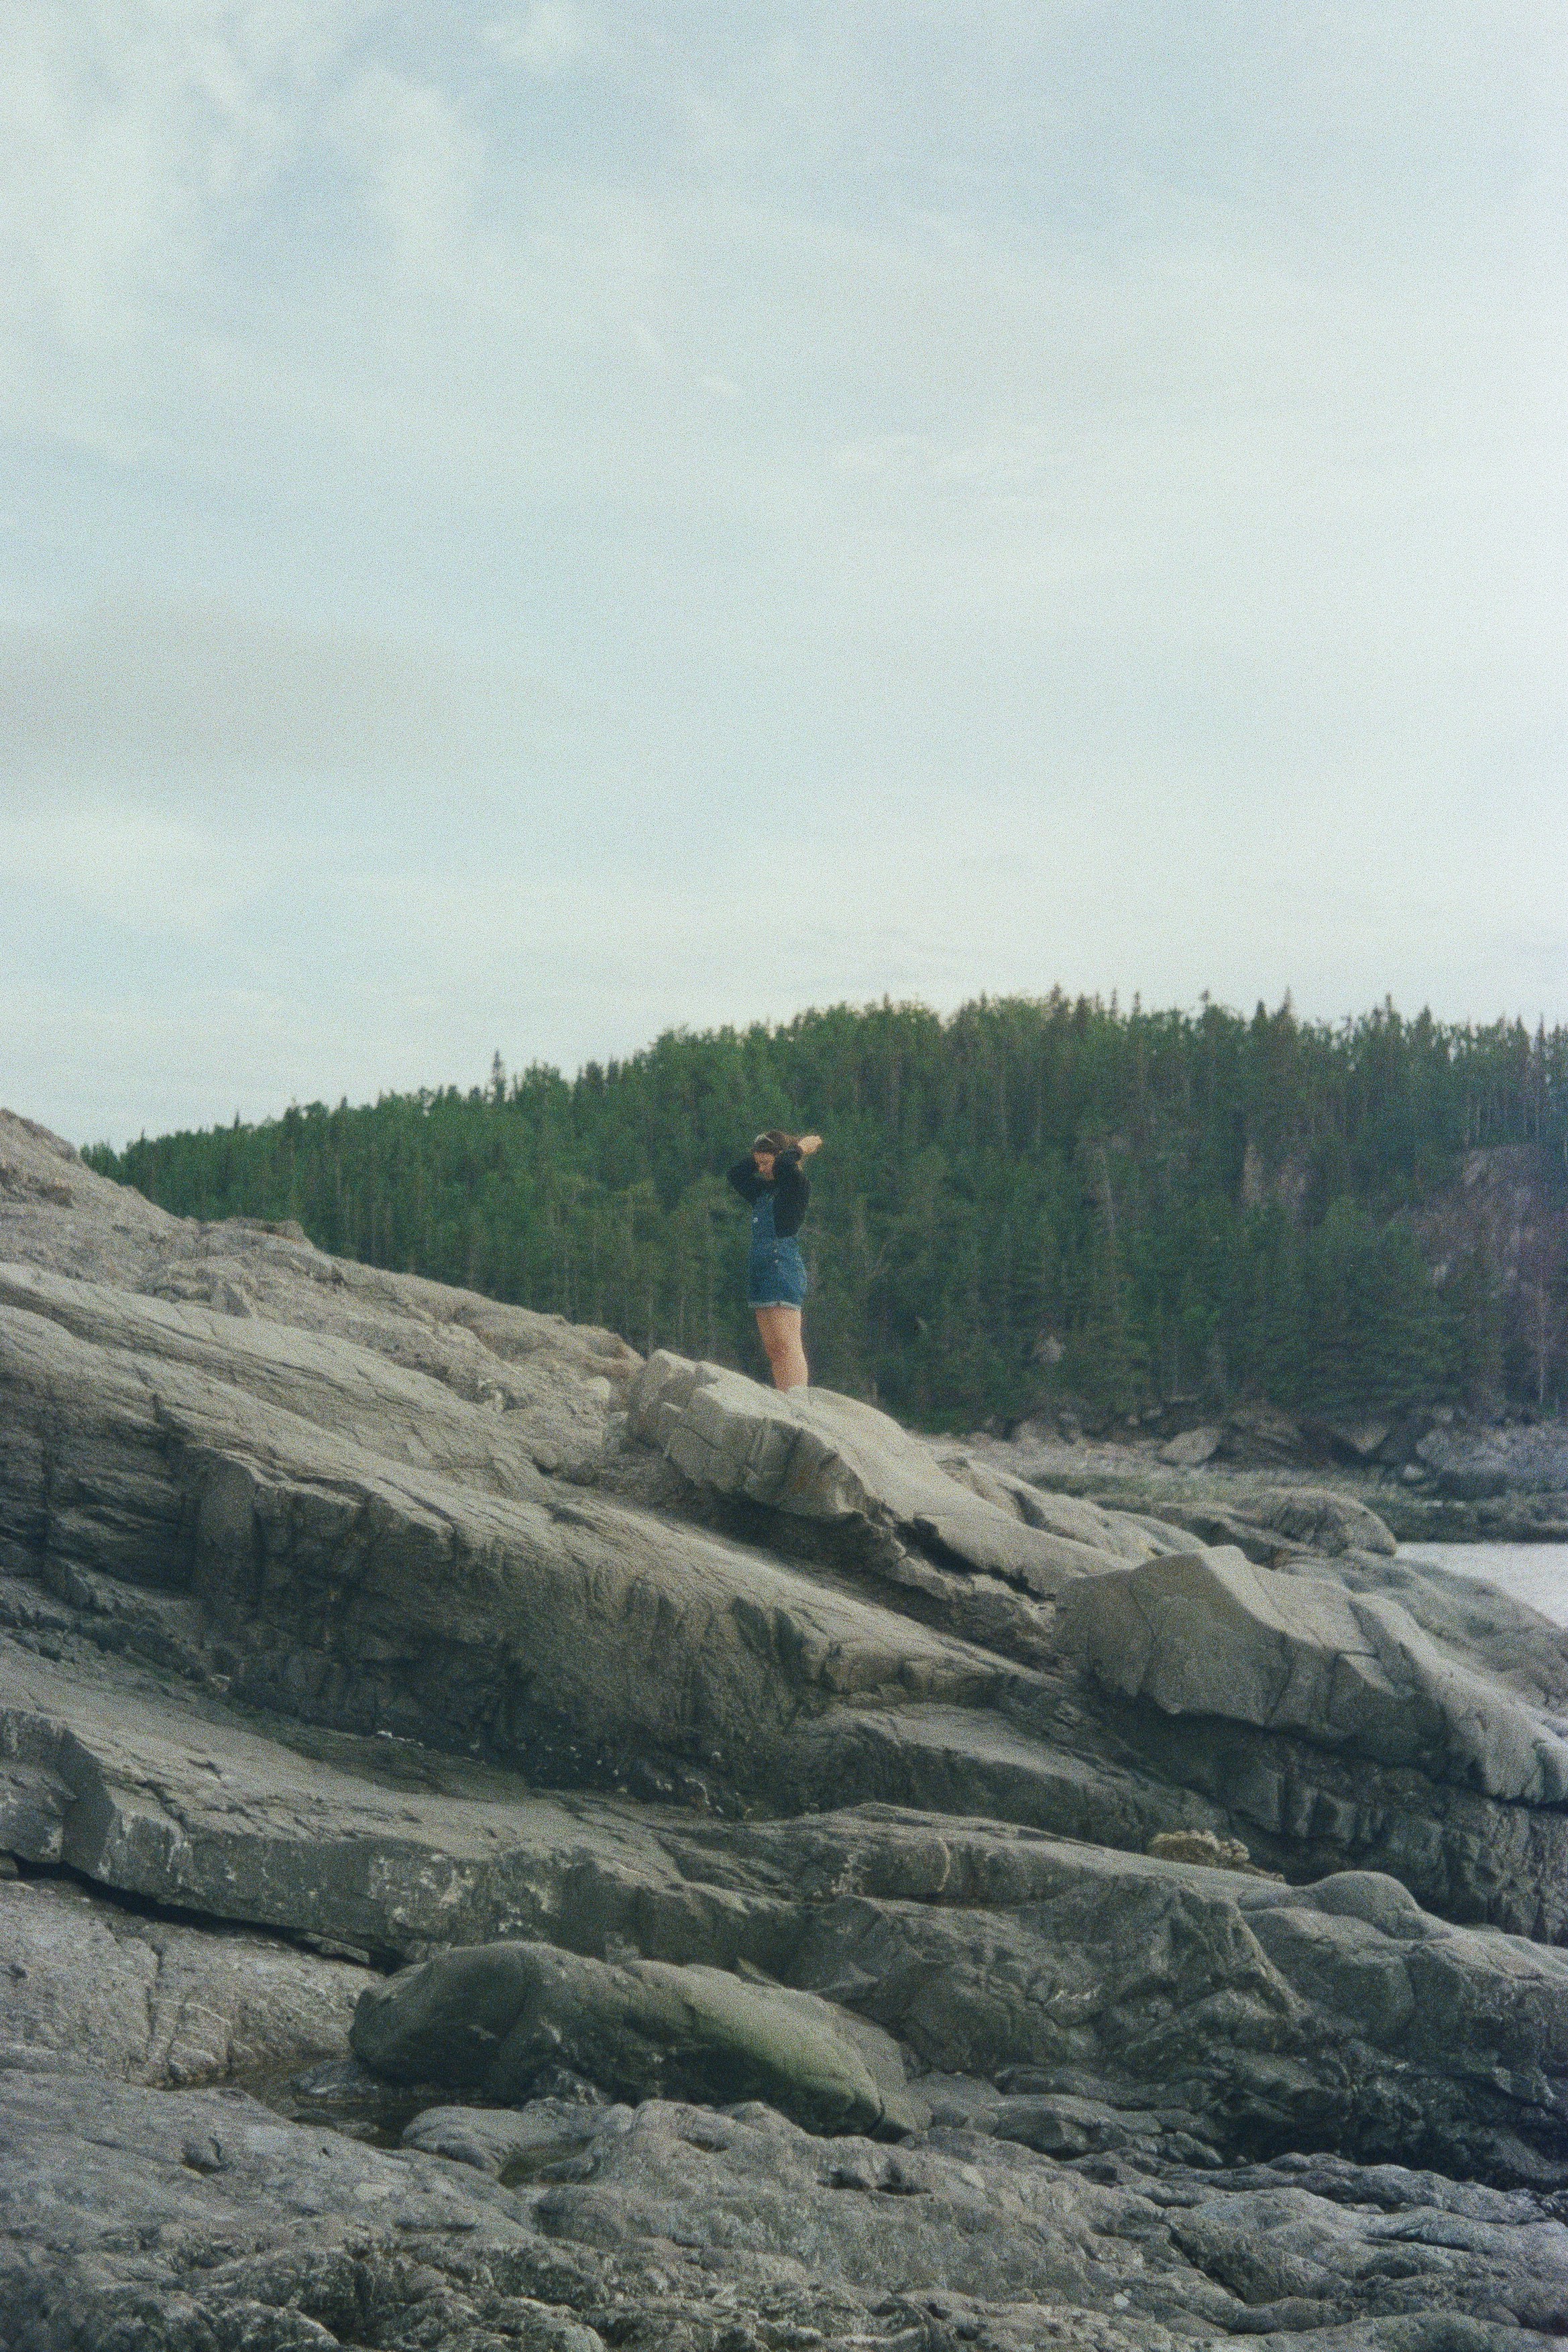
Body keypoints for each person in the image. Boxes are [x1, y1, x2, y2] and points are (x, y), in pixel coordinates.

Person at [726, 1129, 822, 1389]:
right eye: (759, 1163)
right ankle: (784, 1393)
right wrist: (758, 1153)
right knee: (773, 1347)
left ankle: (797, 1400)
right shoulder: (761, 1191)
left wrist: (798, 1149)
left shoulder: (796, 1186)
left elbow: (785, 1166)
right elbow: (736, 1174)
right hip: (760, 1269)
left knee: (787, 1342)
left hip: (783, 1266)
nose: (762, 1168)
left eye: (766, 1162)